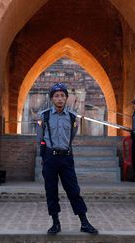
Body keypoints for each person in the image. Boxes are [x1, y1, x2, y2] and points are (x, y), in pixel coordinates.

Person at [37, 83, 98, 235]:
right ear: (52, 99)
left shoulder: (72, 117)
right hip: (50, 158)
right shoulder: (44, 116)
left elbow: (71, 136)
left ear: (66, 98)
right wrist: (44, 157)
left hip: (66, 158)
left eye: (62, 96)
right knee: (51, 191)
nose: (59, 99)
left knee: (73, 190)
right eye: (56, 96)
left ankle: (84, 222)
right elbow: (40, 139)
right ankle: (55, 223)